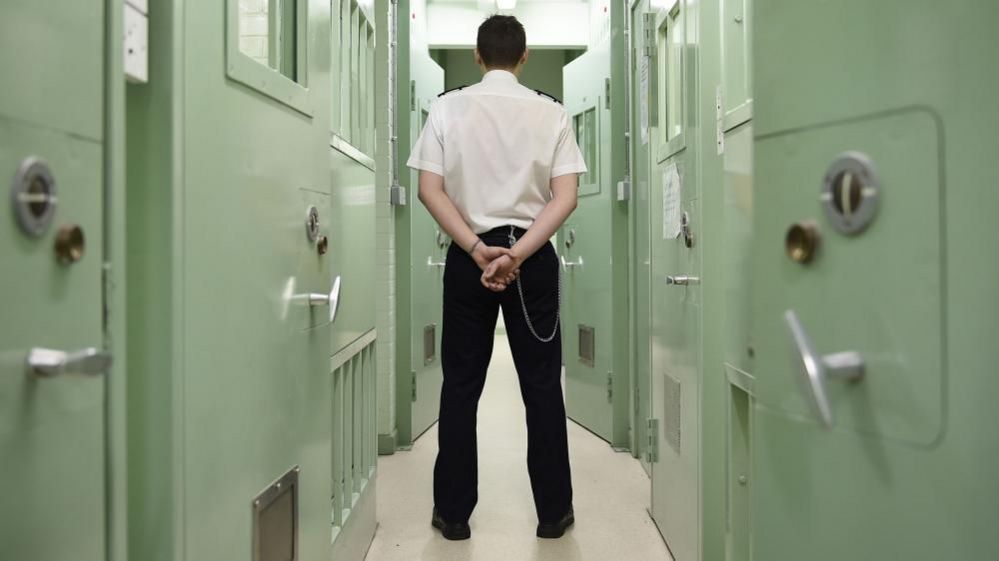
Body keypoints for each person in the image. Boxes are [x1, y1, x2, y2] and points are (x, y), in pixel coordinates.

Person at [406, 14, 587, 541]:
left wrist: (478, 250)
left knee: (461, 386)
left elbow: (429, 190)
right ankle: (554, 514)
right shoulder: (551, 112)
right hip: (531, 261)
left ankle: (454, 515)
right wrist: (519, 254)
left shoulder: (446, 107)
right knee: (541, 387)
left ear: (478, 56)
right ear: (524, 56)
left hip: (470, 258)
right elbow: (565, 197)